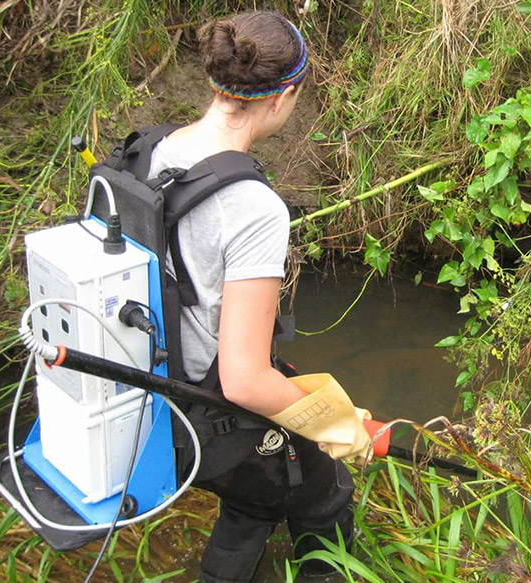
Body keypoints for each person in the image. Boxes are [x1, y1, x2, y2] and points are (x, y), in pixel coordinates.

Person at [142, 11, 370, 582]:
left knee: (255, 496)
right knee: (322, 493)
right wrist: (342, 426)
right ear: (284, 94)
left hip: (158, 400)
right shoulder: (254, 208)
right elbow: (244, 380)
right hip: (213, 412)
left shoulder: (157, 152)